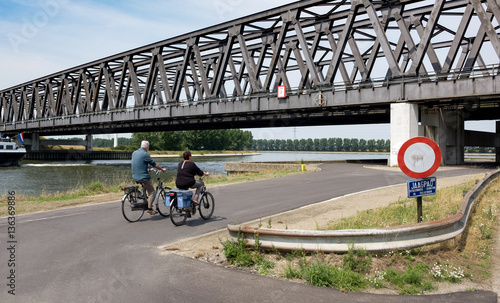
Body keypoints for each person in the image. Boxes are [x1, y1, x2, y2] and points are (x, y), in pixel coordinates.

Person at [131, 140, 166, 215]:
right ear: (147, 147)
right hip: (143, 177)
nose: (148, 149)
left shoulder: (134, 153)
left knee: (146, 188)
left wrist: (146, 169)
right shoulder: (145, 154)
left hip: (135, 175)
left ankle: (144, 199)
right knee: (152, 192)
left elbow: (137, 163)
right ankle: (150, 209)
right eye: (148, 147)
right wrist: (162, 169)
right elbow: (154, 164)